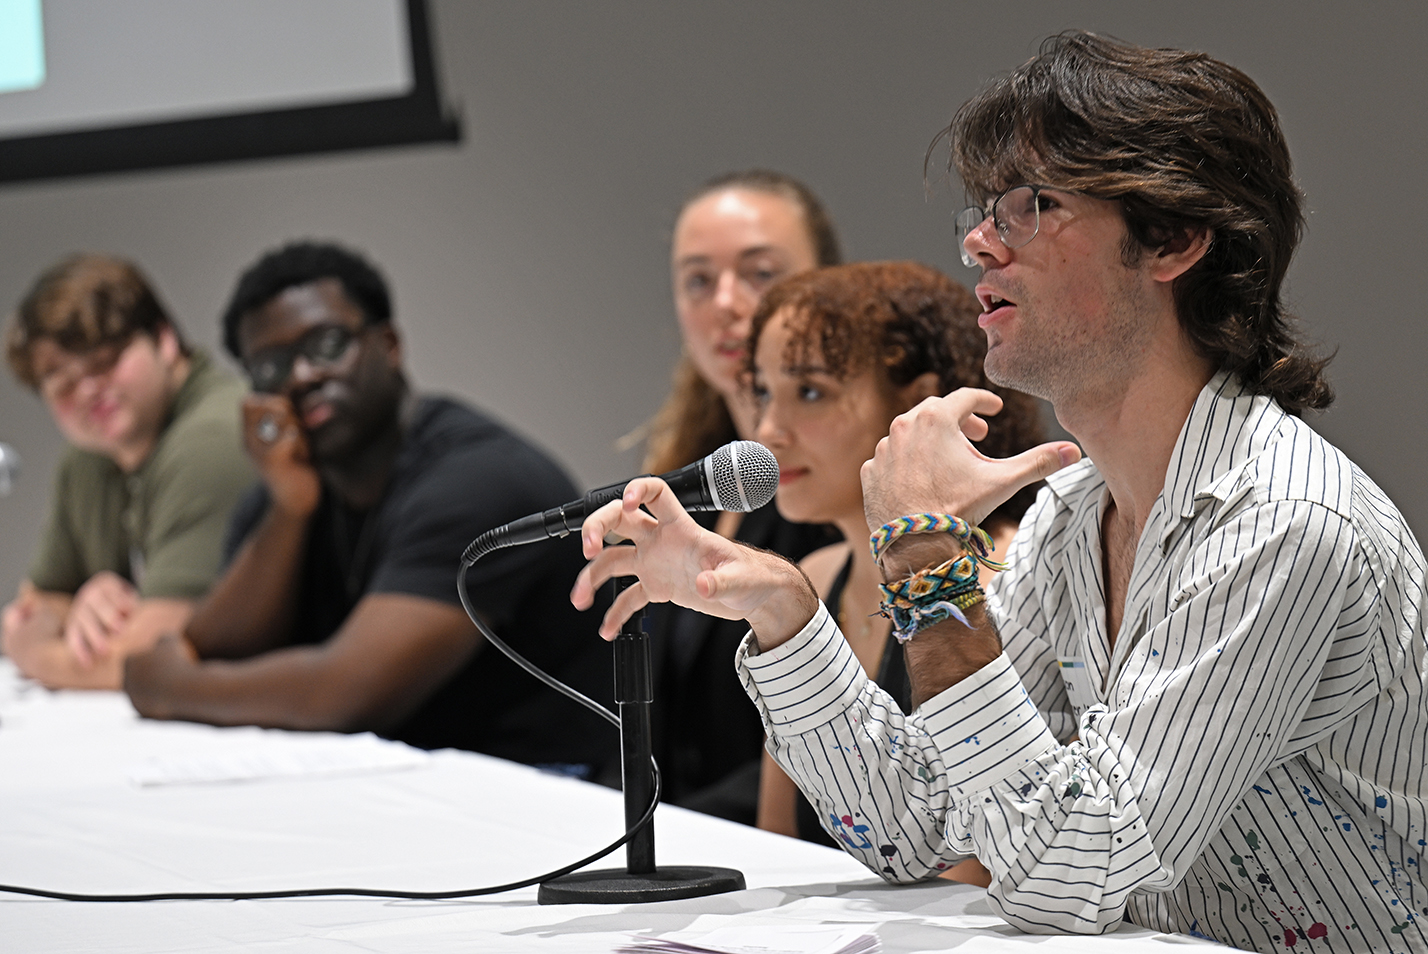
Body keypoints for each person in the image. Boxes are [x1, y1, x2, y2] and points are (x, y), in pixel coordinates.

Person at [570, 32, 1427, 953]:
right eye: (985, 211)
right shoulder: (1069, 516)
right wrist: (784, 615)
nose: (979, 244)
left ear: (1174, 239)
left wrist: (928, 557)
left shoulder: (1281, 522)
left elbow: (1068, 875)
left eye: (1033, 206)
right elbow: (919, 830)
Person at [123, 241, 615, 775]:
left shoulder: (479, 482)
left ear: (389, 344)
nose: (302, 376)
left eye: (327, 344)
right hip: (409, 779)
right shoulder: (289, 492)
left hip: (553, 794)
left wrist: (173, 690)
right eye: (270, 367)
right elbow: (215, 648)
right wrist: (290, 510)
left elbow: (344, 695)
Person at [743, 261, 1043, 864]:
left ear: (916, 403)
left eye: (809, 392)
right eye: (761, 391)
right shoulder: (818, 575)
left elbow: (989, 862)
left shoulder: (1004, 573)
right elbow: (776, 845)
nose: (768, 430)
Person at [640, 170, 842, 822]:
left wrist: (684, 826)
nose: (725, 303)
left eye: (759, 272)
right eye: (699, 280)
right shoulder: (689, 478)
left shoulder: (844, 487)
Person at [1, 254, 253, 690]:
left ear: (165, 339)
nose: (88, 392)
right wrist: (80, 604)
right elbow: (37, 604)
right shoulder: (90, 456)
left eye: (104, 361)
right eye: (61, 382)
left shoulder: (216, 438)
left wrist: (35, 654)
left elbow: (150, 660)